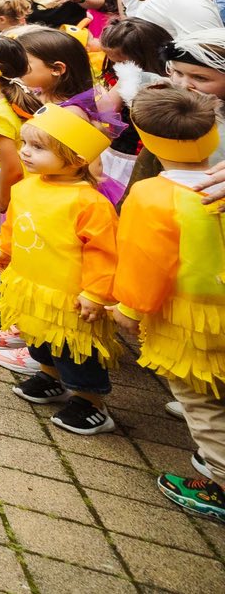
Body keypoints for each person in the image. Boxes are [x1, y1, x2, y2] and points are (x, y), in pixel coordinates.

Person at [113, 84, 225, 521]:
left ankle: (219, 482)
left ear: (147, 140)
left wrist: (129, 309)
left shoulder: (152, 195)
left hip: (187, 320)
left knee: (202, 404)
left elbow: (147, 261)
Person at [0, 106, 119, 436]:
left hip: (72, 294)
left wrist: (96, 293)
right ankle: (50, 376)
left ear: (76, 159)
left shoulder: (90, 202)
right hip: (33, 282)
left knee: (77, 352)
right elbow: (16, 225)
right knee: (40, 335)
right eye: (25, 144)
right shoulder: (26, 187)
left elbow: (105, 253)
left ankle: (91, 402)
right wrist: (4, 248)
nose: (25, 153)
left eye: (38, 148)